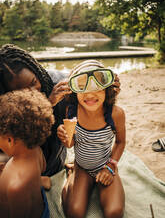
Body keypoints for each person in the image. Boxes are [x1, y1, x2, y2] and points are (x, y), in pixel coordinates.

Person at [0, 44, 121, 178]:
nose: (33, 91)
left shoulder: (58, 84)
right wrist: (48, 104)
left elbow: (89, 98)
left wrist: (109, 88)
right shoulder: (6, 111)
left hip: (56, 162)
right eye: (22, 92)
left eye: (34, 82)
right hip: (25, 172)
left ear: (36, 71)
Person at [57, 60, 126, 218]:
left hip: (105, 165)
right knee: (74, 212)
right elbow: (70, 144)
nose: (89, 95)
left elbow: (121, 142)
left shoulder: (116, 114)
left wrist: (111, 166)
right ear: (75, 92)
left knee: (114, 212)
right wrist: (64, 137)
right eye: (83, 88)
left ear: (107, 90)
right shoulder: (72, 111)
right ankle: (72, 173)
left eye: (97, 88)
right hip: (82, 167)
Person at [0, 88, 54, 218]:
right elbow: (43, 167)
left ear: (9, 140)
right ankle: (39, 181)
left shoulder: (16, 187)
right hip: (40, 202)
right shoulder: (36, 149)